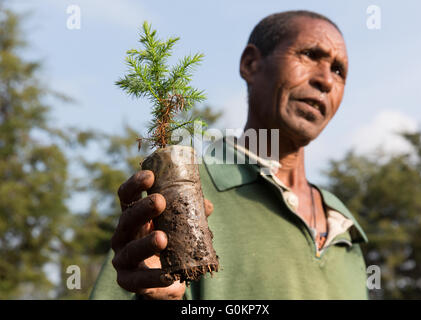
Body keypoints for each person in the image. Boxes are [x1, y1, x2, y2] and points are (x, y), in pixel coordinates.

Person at [90, 10, 370, 300]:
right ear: (250, 64)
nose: (326, 80)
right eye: (310, 55)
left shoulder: (346, 231)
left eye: (339, 70)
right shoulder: (175, 197)